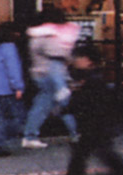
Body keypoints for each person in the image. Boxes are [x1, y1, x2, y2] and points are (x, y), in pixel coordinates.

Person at [60, 48, 123, 175]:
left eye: (80, 57)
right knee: (96, 152)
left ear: (89, 61)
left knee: (87, 153)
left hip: (94, 122)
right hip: (92, 122)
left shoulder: (92, 78)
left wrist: (69, 108)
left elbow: (87, 100)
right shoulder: (85, 75)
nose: (77, 59)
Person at [21, 8, 79, 148]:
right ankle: (77, 133)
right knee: (64, 104)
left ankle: (30, 135)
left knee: (44, 105)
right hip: (52, 76)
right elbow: (58, 56)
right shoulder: (49, 36)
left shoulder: (36, 35)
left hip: (41, 74)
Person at [0, 21, 26, 157]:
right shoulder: (9, 48)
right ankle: (0, 142)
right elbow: (13, 69)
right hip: (7, 88)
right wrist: (18, 87)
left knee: (0, 118)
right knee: (19, 118)